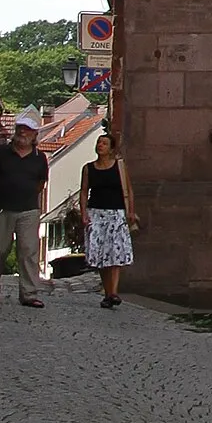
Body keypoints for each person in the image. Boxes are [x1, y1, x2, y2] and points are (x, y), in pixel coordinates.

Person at [0, 112, 51, 307]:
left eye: (27, 129)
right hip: (2, 209)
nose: (22, 131)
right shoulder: (0, 153)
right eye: (20, 127)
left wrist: (26, 196)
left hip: (28, 210)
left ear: (34, 134)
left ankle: (29, 294)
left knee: (29, 251)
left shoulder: (39, 158)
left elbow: (40, 183)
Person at [80, 127, 139, 309]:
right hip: (96, 213)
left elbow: (128, 190)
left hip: (116, 214)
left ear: (112, 148)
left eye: (104, 143)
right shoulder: (89, 168)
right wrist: (83, 213)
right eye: (99, 142)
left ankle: (113, 292)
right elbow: (83, 192)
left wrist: (130, 211)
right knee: (100, 256)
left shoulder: (119, 167)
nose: (100, 145)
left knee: (115, 254)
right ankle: (107, 292)